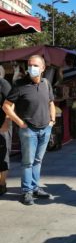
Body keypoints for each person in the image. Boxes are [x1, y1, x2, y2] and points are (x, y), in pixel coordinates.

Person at [3, 55, 56, 206]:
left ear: (43, 68)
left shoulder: (46, 83)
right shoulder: (19, 84)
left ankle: (35, 187)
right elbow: (6, 106)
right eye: (29, 65)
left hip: (45, 129)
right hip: (28, 131)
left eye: (35, 65)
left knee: (38, 161)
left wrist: (52, 121)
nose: (31, 68)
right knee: (27, 162)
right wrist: (19, 122)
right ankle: (26, 191)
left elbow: (51, 102)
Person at [0, 77, 12, 195]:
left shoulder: (3, 84)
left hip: (3, 124)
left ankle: (2, 184)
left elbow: (11, 104)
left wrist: (6, 121)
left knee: (3, 155)